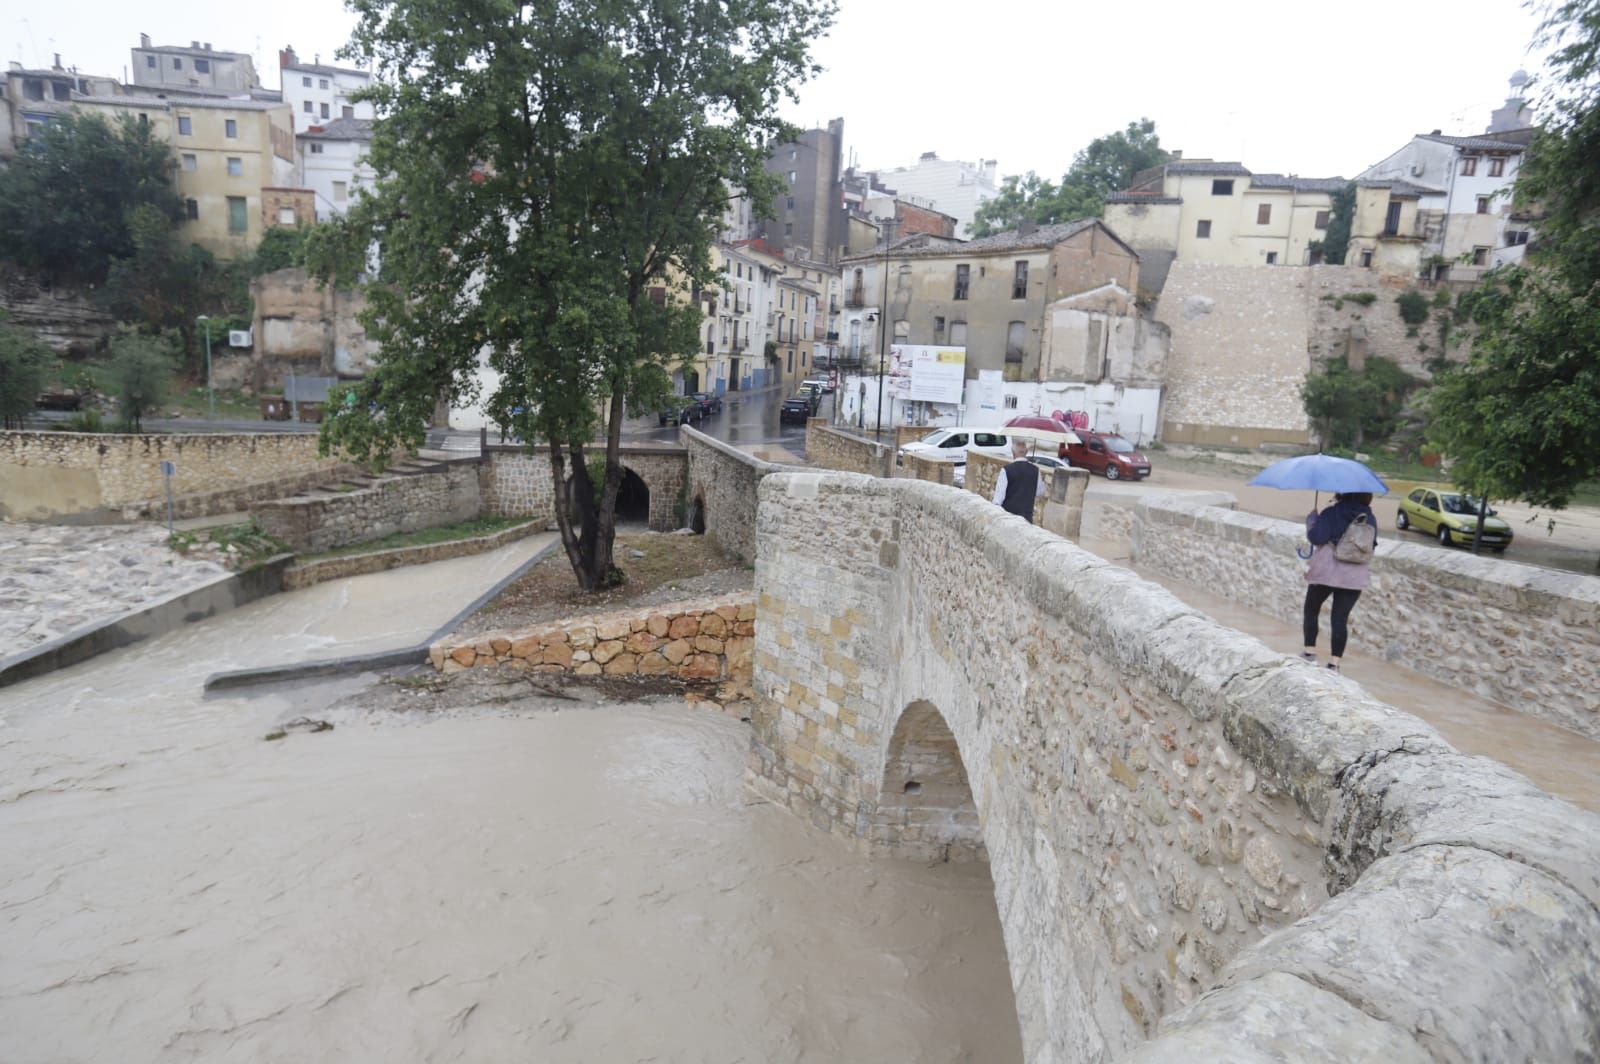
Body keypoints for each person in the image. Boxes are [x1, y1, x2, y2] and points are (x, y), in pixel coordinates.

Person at [1302, 491, 1377, 671]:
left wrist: (1312, 520)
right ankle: (1334, 663)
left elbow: (1316, 538)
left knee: (1312, 608)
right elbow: (1371, 545)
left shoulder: (1331, 512)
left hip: (1327, 571)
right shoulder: (1370, 518)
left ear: (1341, 494)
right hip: (1355, 575)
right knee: (1340, 618)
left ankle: (1309, 652)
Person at [992, 439, 1045, 521]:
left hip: (1008, 518)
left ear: (1013, 453)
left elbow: (998, 500)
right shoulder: (1035, 470)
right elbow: (1040, 492)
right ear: (1026, 452)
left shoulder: (1006, 470)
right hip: (1026, 519)